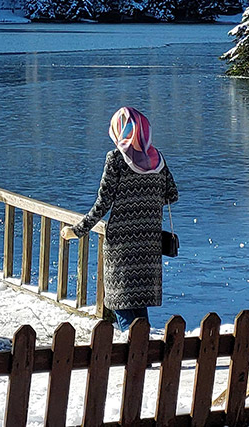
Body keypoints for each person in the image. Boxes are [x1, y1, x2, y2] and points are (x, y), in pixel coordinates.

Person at [62, 107, 178, 331]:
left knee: (122, 302)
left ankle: (135, 355)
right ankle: (145, 351)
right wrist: (146, 201)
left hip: (122, 245)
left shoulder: (116, 158)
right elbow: (172, 194)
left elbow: (103, 204)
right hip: (149, 242)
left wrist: (77, 231)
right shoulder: (158, 159)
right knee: (139, 304)